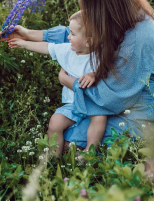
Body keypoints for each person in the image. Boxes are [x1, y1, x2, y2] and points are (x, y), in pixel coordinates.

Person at [0, 0, 154, 152]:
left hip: (136, 106)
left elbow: (113, 98)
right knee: (63, 131)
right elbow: (82, 35)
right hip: (114, 96)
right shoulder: (121, 14)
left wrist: (69, 82)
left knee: (70, 140)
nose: (83, 6)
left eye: (86, 0)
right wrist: (29, 34)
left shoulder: (140, 35)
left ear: (104, 1)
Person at [7, 11, 107, 156]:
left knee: (100, 118)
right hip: (72, 105)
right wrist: (23, 43)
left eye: (72, 34)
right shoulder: (67, 50)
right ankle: (53, 158)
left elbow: (109, 70)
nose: (68, 37)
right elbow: (47, 47)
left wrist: (94, 74)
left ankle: (89, 152)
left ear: (88, 41)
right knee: (55, 122)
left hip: (93, 103)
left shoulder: (101, 55)